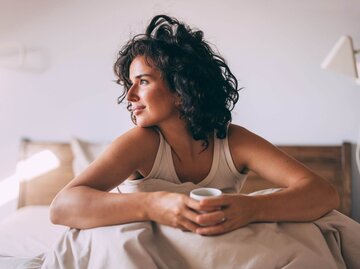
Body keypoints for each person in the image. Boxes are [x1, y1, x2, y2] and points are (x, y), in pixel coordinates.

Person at [50, 14, 339, 236]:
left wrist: (252, 208)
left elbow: (323, 193)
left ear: (180, 89)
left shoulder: (234, 142)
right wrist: (153, 205)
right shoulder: (140, 143)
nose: (130, 95)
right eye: (129, 83)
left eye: (143, 81)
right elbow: (62, 207)